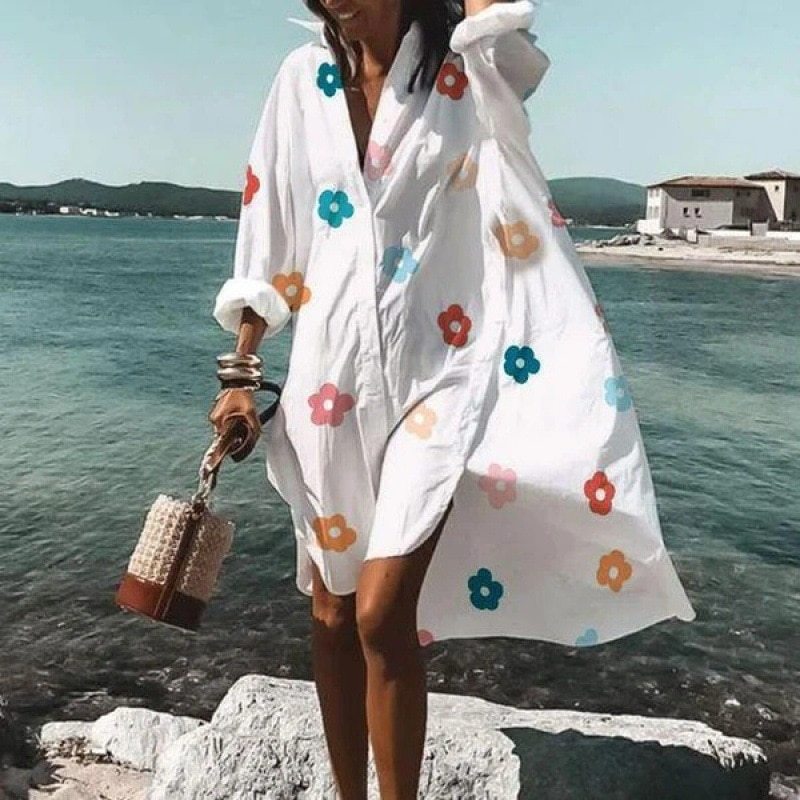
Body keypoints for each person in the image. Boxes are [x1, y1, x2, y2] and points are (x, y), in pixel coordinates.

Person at [207, 1, 696, 798]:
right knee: (331, 613)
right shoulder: (301, 81)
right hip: (328, 389)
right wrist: (239, 376)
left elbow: (511, 31)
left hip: (442, 377)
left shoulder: (469, 68)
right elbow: (269, 241)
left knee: (380, 612)